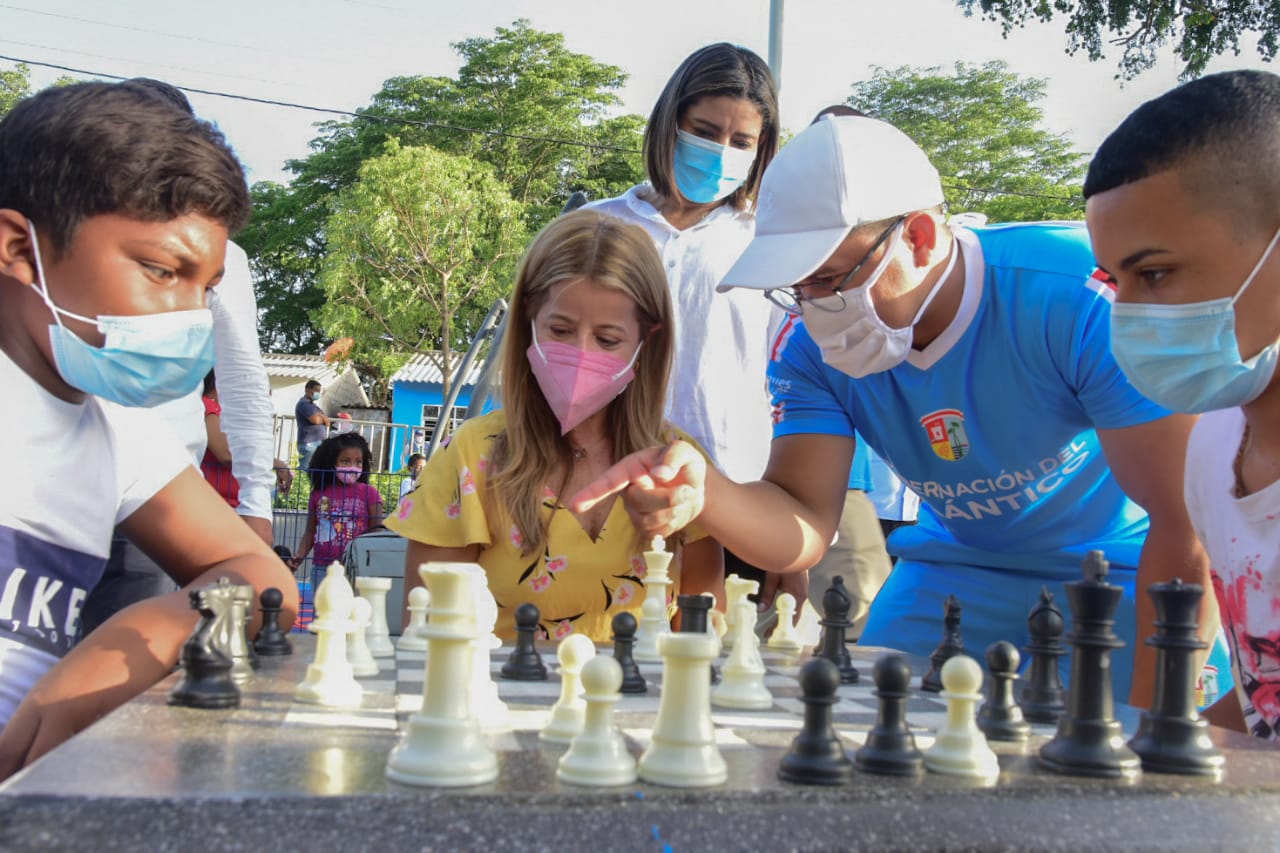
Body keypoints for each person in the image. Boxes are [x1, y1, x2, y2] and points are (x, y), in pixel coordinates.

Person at [574, 114, 1213, 706]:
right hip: (952, 566)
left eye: (829, 279)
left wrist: (1157, 729)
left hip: (1126, 571)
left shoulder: (1078, 295)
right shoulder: (807, 350)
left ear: (922, 236)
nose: (813, 306)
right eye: (795, 287)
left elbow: (1186, 522)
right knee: (869, 730)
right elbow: (802, 525)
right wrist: (705, 490)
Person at [0, 81, 297, 775]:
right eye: (161, 271)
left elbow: (259, 575)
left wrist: (138, 635)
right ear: (18, 246)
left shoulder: (118, 432)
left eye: (206, 288)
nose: (189, 317)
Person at [387, 211, 725, 642]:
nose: (581, 354)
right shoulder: (475, 456)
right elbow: (429, 638)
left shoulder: (678, 468)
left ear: (647, 341)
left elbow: (706, 640)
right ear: (529, 318)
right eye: (560, 329)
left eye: (607, 340)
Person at [1084, 69, 1280, 736]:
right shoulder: (1213, 446)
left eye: (1155, 273)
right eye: (1115, 279)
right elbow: (1263, 700)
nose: (1125, 312)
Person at [582, 44, 784, 600]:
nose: (721, 151)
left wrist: (790, 541)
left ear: (761, 149)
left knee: (717, 666)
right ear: (669, 122)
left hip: (735, 500)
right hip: (608, 493)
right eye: (704, 130)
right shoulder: (595, 226)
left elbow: (797, 381)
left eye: (741, 142)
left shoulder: (772, 242)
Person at [77, 80, 280, 636]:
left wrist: (255, 498)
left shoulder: (220, 256)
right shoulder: (65, 235)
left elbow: (242, 377)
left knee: (128, 680)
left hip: (157, 500)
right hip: (52, 482)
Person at [290, 433, 383, 578]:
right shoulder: (319, 494)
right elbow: (310, 531)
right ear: (331, 463)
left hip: (356, 567)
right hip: (323, 567)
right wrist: (299, 556)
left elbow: (376, 530)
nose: (353, 467)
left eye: (358, 462)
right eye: (346, 461)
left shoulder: (369, 493)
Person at [199, 370, 239, 507]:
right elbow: (226, 455)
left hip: (224, 503)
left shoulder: (219, 410)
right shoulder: (208, 406)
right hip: (216, 502)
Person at [296, 379, 329, 472]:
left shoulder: (314, 406)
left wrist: (321, 417)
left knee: (315, 469)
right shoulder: (304, 404)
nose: (317, 393)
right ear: (307, 389)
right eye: (315, 390)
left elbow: (327, 422)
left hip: (317, 442)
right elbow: (316, 420)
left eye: (319, 391)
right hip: (309, 442)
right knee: (305, 469)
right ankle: (300, 485)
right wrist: (321, 417)